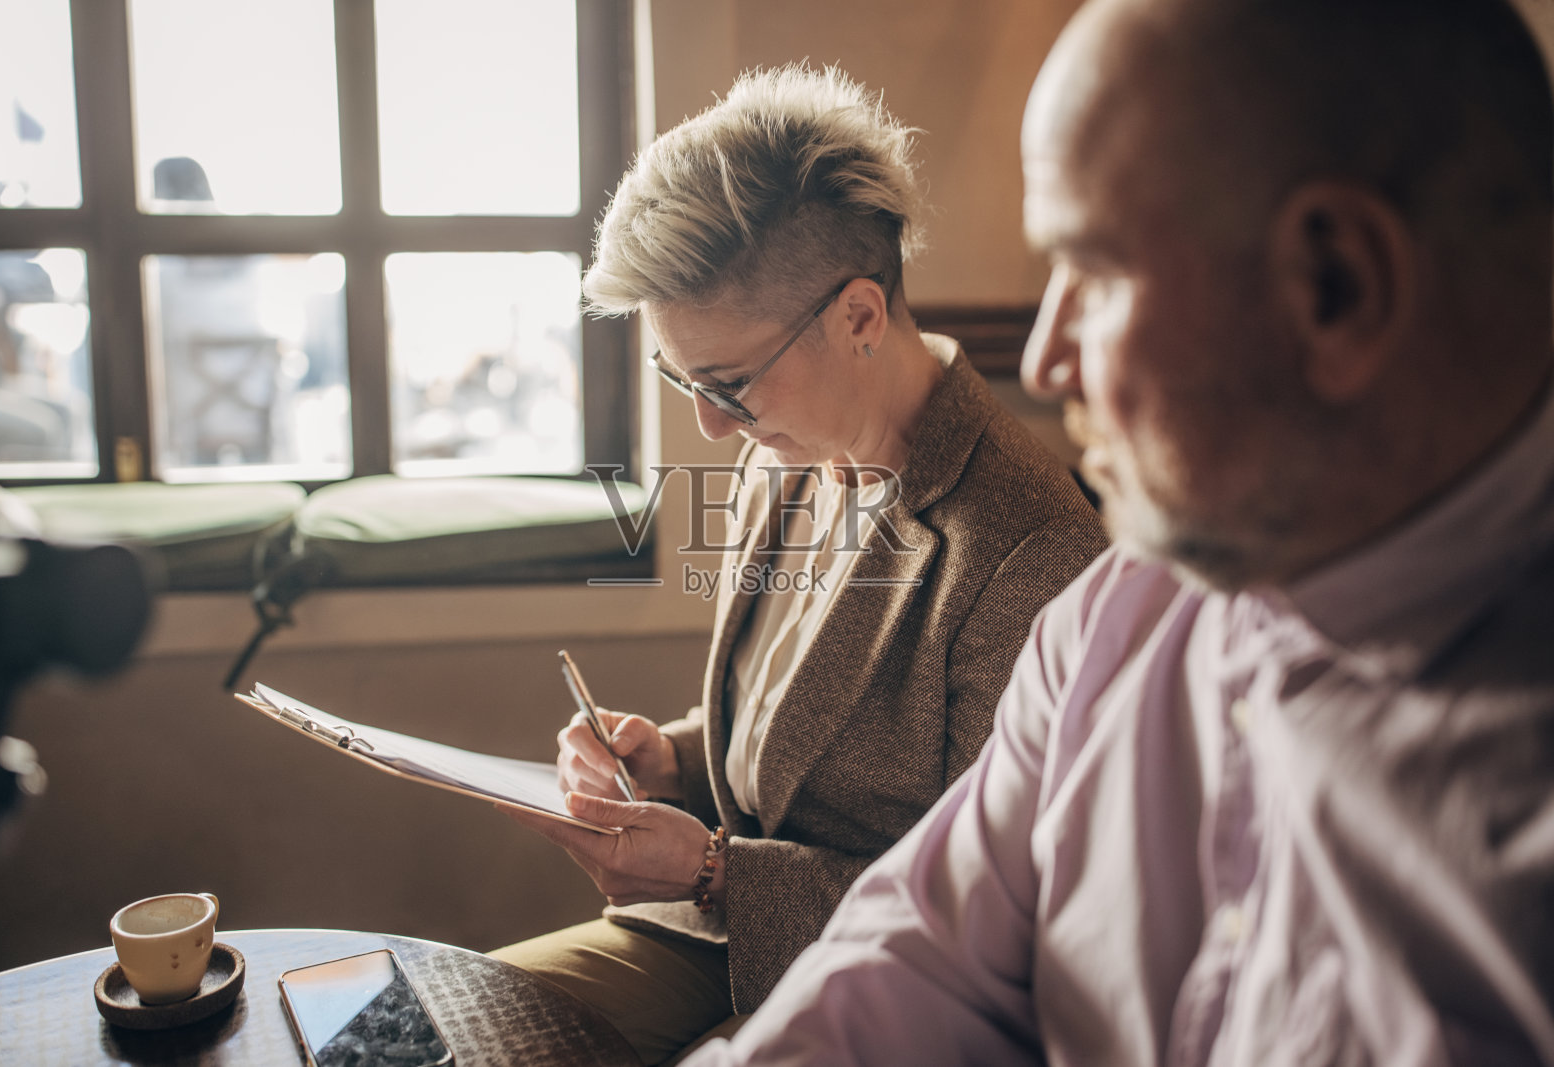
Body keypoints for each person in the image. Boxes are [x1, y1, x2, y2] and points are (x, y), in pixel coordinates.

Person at [681, 0, 1554, 1063]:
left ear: (1338, 286)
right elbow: (921, 956)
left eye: (1091, 272)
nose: (1046, 361)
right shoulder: (1115, 615)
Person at [493, 64, 1107, 1065]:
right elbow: (797, 730)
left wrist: (714, 872)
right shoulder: (782, 445)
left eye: (725, 381)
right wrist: (674, 759)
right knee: (443, 1022)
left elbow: (986, 919)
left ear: (860, 315)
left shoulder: (1033, 551)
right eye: (680, 376)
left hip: (885, 996)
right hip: (713, 940)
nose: (706, 422)